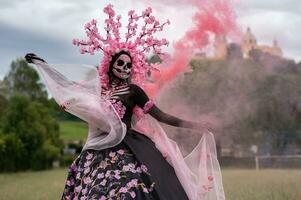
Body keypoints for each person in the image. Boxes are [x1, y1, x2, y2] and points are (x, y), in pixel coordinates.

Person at [25, 4, 224, 200]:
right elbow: (68, 86)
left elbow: (160, 115)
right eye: (120, 63)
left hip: (128, 147)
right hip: (98, 149)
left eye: (129, 65)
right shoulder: (100, 91)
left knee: (129, 190)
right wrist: (43, 65)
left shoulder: (134, 91)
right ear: (110, 65)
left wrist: (195, 125)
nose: (125, 68)